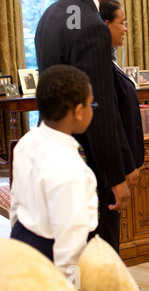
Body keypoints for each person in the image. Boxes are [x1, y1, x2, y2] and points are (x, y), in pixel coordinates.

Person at [35, 0, 130, 253]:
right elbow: (99, 108)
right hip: (86, 157)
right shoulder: (92, 25)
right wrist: (115, 176)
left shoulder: (50, 14)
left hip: (51, 143)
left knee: (65, 239)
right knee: (97, 244)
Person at [9, 64, 98, 277]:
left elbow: (15, 202)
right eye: (90, 104)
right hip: (50, 253)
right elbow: (70, 243)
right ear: (78, 112)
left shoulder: (26, 141)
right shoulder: (71, 168)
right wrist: (70, 288)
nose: (92, 109)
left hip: (22, 237)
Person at [100, 0, 144, 187]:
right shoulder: (100, 65)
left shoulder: (109, 59)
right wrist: (127, 165)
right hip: (115, 165)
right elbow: (112, 119)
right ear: (106, 24)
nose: (125, 29)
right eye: (122, 23)